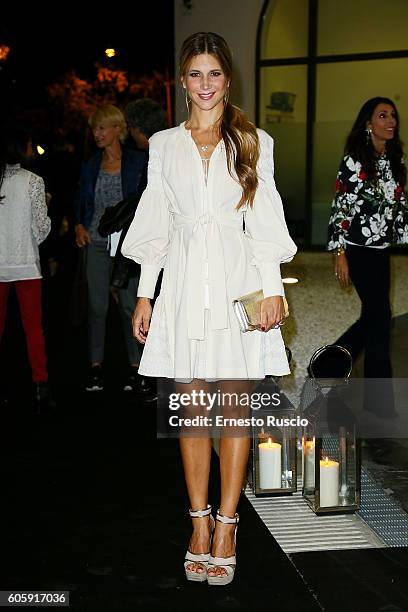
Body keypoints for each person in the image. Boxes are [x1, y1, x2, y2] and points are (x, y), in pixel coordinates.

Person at [122, 32, 296, 585]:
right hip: (183, 287)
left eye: (214, 74)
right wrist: (147, 292)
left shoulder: (253, 140)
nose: (205, 85)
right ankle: (198, 523)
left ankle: (228, 524)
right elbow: (159, 225)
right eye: (195, 74)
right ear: (182, 79)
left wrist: (272, 287)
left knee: (233, 411)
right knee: (194, 411)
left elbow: (263, 220)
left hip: (237, 284)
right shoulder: (164, 145)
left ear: (228, 79)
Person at [328, 97, 408, 415]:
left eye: (393, 116)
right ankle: (379, 402)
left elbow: (399, 207)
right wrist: (339, 253)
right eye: (383, 115)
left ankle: (331, 363)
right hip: (358, 250)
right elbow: (341, 207)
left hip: (382, 251)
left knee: (375, 317)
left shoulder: (396, 160)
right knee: (380, 315)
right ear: (368, 123)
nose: (390, 121)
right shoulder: (354, 161)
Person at [74, 105, 147, 392]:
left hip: (127, 244)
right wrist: (79, 225)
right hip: (96, 242)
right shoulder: (90, 165)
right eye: (94, 129)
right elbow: (80, 201)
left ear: (119, 128)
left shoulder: (138, 162)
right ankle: (95, 367)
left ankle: (136, 367)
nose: (97, 134)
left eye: (102, 128)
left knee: (131, 305)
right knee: (97, 306)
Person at [0, 126, 51, 408]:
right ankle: (40, 387)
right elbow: (41, 228)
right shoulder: (33, 181)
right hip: (26, 265)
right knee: (33, 328)